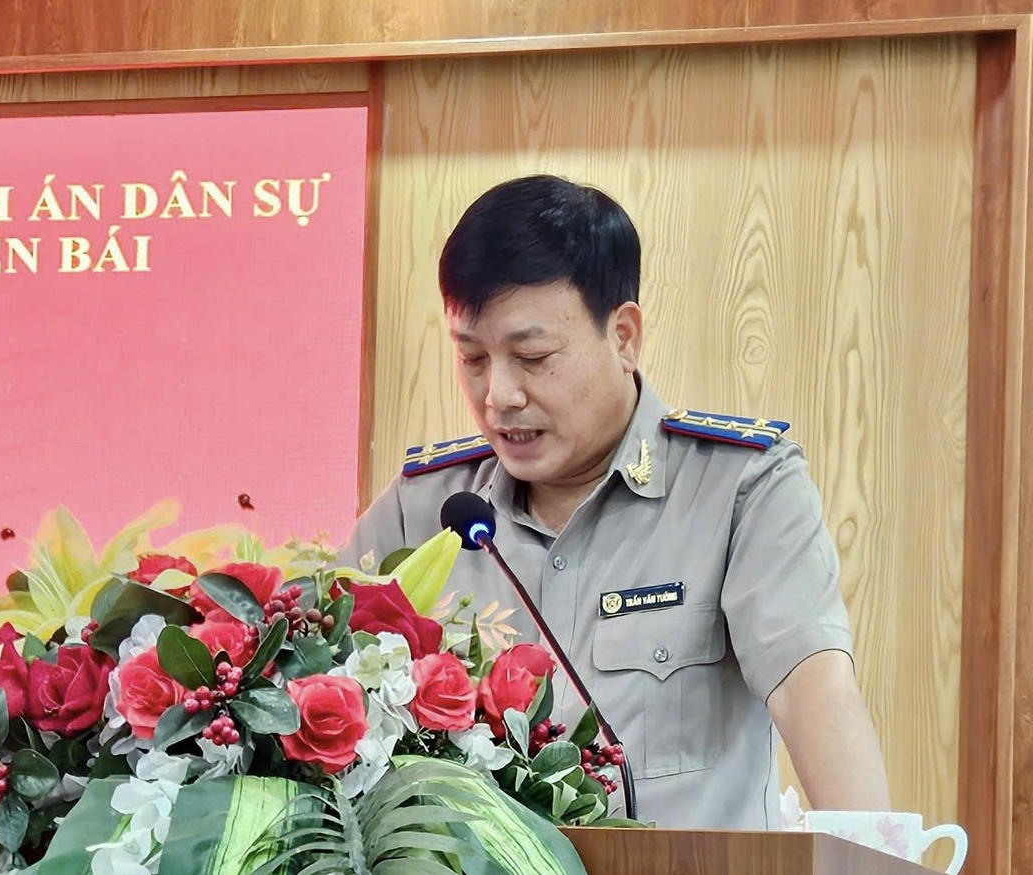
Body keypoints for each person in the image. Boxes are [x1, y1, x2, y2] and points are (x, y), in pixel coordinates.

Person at [339, 175, 890, 828]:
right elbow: (311, 682)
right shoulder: (425, 508)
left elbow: (812, 690)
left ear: (624, 336)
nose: (499, 396)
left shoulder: (739, 489)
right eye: (474, 359)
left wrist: (873, 858)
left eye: (532, 356)